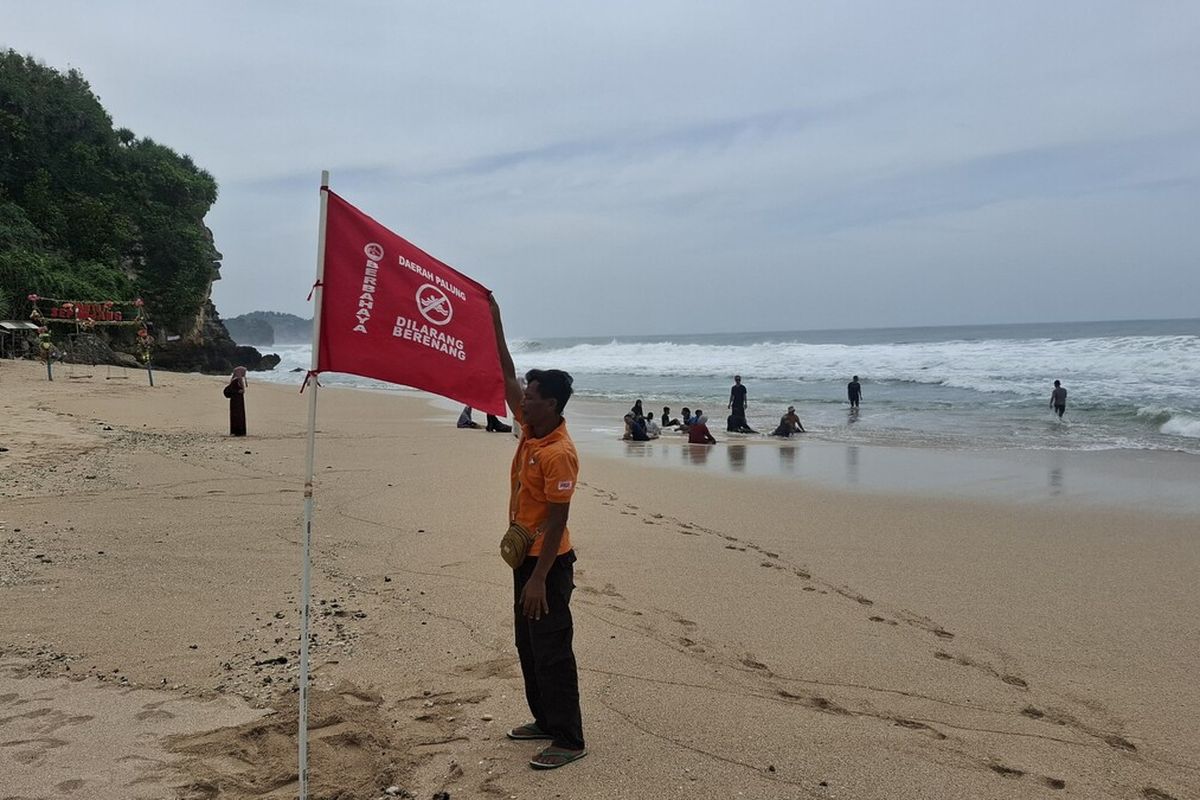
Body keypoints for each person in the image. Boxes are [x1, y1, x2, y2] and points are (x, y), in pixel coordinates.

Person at [489, 295, 587, 770]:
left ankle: (569, 738)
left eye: (529, 397)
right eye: (523, 396)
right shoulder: (531, 429)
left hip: (547, 563)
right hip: (525, 559)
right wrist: (494, 319)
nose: (520, 400)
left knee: (551, 648)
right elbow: (507, 375)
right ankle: (545, 720)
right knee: (527, 645)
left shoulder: (557, 452)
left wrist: (537, 578)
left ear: (551, 404)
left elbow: (558, 519)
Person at [226, 366, 247, 436]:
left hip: (234, 401)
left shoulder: (234, 379)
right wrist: (239, 391)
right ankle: (239, 431)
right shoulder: (238, 379)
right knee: (239, 415)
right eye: (244, 371)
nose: (245, 373)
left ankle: (235, 431)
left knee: (235, 415)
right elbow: (239, 390)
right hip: (237, 401)